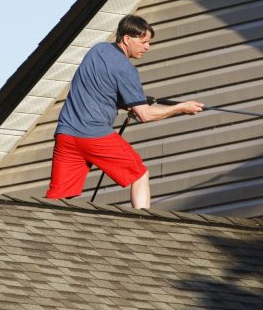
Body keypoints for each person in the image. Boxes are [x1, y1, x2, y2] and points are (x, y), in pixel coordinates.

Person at [45, 15, 204, 208]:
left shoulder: (98, 50)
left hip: (66, 135)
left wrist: (129, 103)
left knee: (59, 195)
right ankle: (143, 223)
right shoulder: (126, 69)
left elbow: (101, 92)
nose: (147, 47)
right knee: (139, 175)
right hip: (94, 135)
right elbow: (145, 114)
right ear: (127, 39)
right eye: (144, 42)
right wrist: (181, 107)